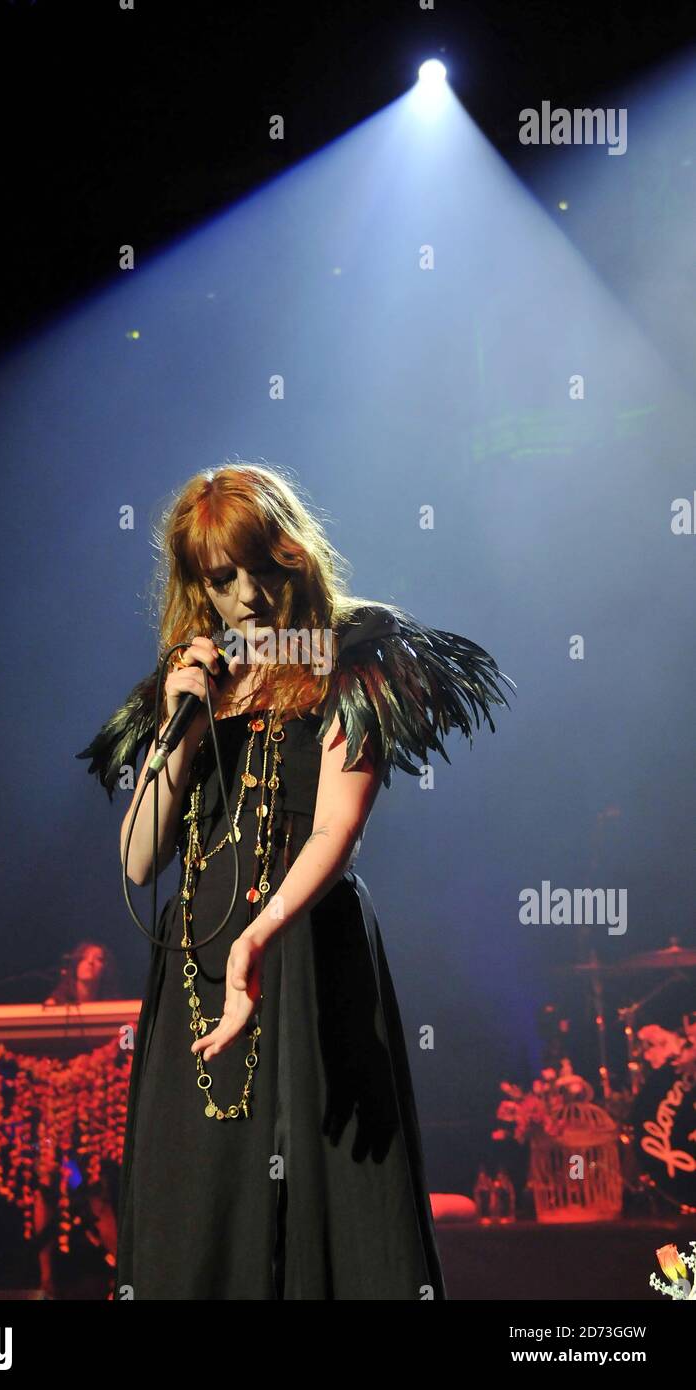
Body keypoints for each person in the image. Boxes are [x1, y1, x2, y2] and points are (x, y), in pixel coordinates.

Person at [76, 461, 515, 1300]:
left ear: (289, 552)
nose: (243, 595)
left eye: (254, 567)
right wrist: (180, 725)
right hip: (200, 974)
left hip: (304, 950)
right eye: (219, 578)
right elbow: (138, 861)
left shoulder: (354, 653)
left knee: (327, 1190)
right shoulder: (193, 683)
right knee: (196, 1200)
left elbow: (336, 829)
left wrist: (257, 935)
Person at [36, 940, 123, 1296]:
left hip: (93, 1114)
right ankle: (45, 1279)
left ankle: (122, 1276)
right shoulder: (54, 1005)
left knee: (97, 1193)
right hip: (54, 1109)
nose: (92, 964)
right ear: (72, 964)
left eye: (100, 959)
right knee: (45, 1187)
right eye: (86, 958)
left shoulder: (111, 1009)